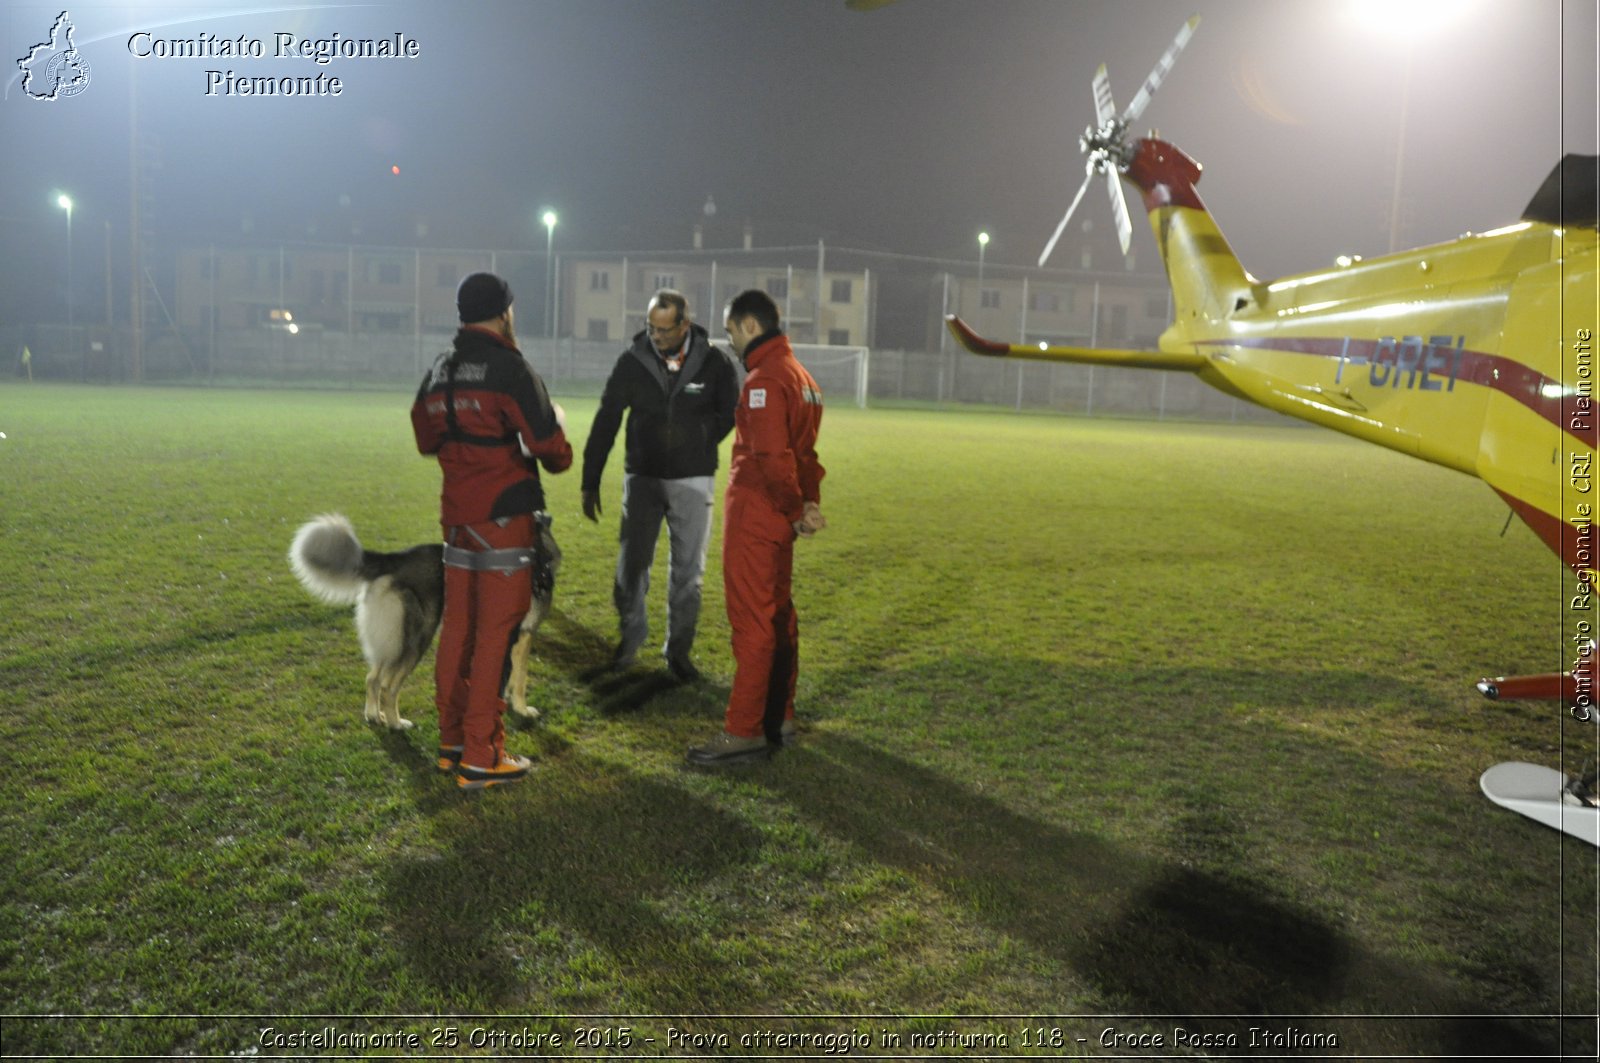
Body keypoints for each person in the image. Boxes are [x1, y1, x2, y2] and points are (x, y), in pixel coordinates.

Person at [411, 271, 572, 790]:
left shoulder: (440, 368)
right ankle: (483, 754)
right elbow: (551, 448)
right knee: (495, 639)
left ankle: (451, 743)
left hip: (457, 519)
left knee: (457, 632)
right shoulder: (510, 367)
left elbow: (423, 434)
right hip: (505, 518)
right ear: (505, 312)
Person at [688, 289, 825, 766]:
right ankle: (778, 716)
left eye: (731, 332)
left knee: (754, 621)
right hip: (780, 514)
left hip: (757, 513)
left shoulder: (765, 380)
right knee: (779, 615)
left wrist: (792, 508)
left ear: (749, 326)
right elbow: (804, 456)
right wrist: (807, 504)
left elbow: (770, 457)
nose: (731, 343)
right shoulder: (804, 378)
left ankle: (744, 730)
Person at [581, 289, 741, 680]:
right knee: (630, 567)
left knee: (688, 575)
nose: (656, 336)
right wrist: (590, 478)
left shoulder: (715, 362)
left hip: (693, 478)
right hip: (642, 478)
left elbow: (729, 413)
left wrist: (698, 438)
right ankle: (630, 640)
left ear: (685, 325)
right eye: (651, 328)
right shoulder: (632, 361)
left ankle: (679, 653)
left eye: (664, 330)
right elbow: (607, 419)